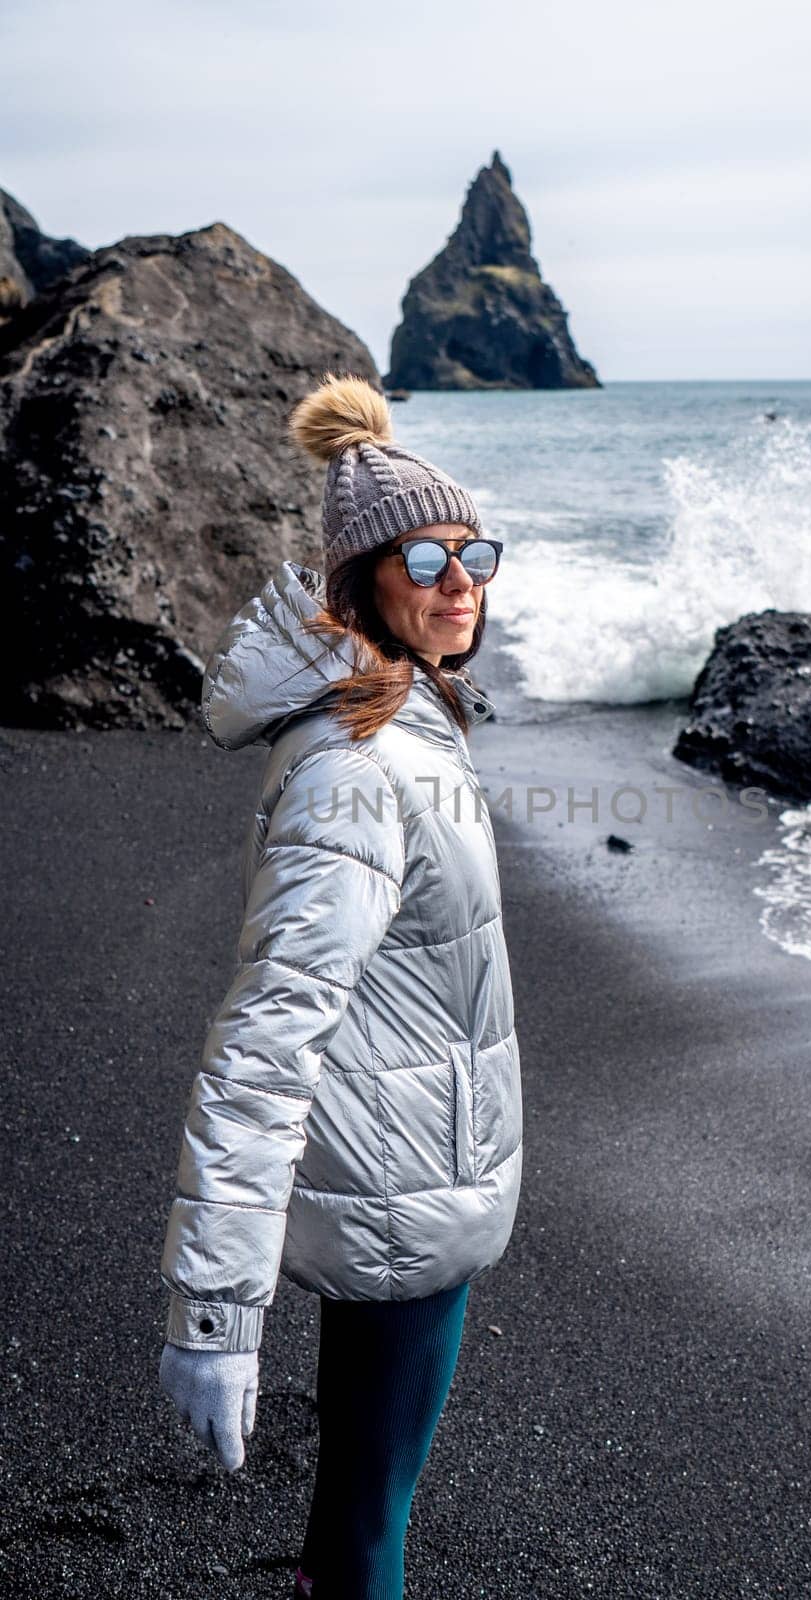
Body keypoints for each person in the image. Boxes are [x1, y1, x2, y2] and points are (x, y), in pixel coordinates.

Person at [157, 373, 524, 1600]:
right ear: (360, 577)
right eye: (425, 552)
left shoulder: (412, 718)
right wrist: (214, 1313)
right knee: (371, 1524)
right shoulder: (357, 764)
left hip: (414, 1171)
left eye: (472, 549)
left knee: (365, 1506)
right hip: (396, 1191)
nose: (458, 576)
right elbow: (268, 1033)